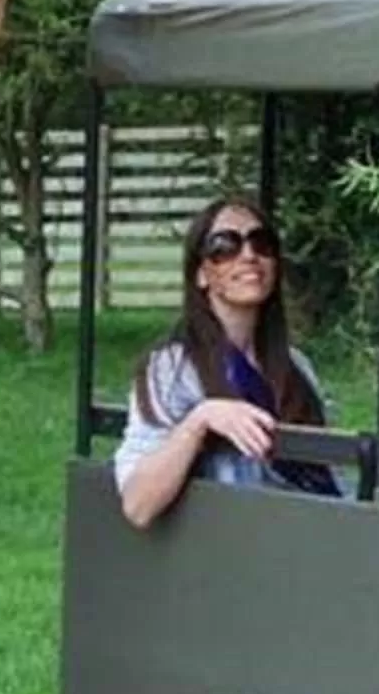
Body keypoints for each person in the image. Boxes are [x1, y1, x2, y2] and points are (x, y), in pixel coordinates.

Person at [115, 197, 343, 527]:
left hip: (302, 542)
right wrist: (200, 421)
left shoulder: (296, 367)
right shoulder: (173, 369)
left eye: (260, 243)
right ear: (201, 274)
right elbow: (138, 505)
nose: (248, 256)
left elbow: (334, 480)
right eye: (225, 246)